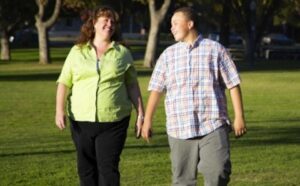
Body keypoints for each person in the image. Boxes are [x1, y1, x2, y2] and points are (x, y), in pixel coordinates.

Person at [142, 7, 247, 186]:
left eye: (175, 23)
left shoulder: (216, 50)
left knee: (219, 171)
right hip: (179, 128)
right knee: (182, 181)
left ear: (189, 24)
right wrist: (147, 121)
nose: (172, 28)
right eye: (171, 24)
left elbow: (233, 84)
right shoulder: (168, 55)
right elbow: (156, 90)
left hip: (212, 125)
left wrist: (239, 117)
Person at [55, 6, 144, 186]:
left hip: (114, 121)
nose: (109, 24)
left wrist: (141, 114)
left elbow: (132, 85)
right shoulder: (77, 51)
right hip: (80, 120)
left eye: (112, 21)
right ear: (94, 23)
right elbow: (64, 82)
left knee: (108, 169)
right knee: (85, 169)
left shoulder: (123, 53)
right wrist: (59, 110)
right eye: (105, 20)